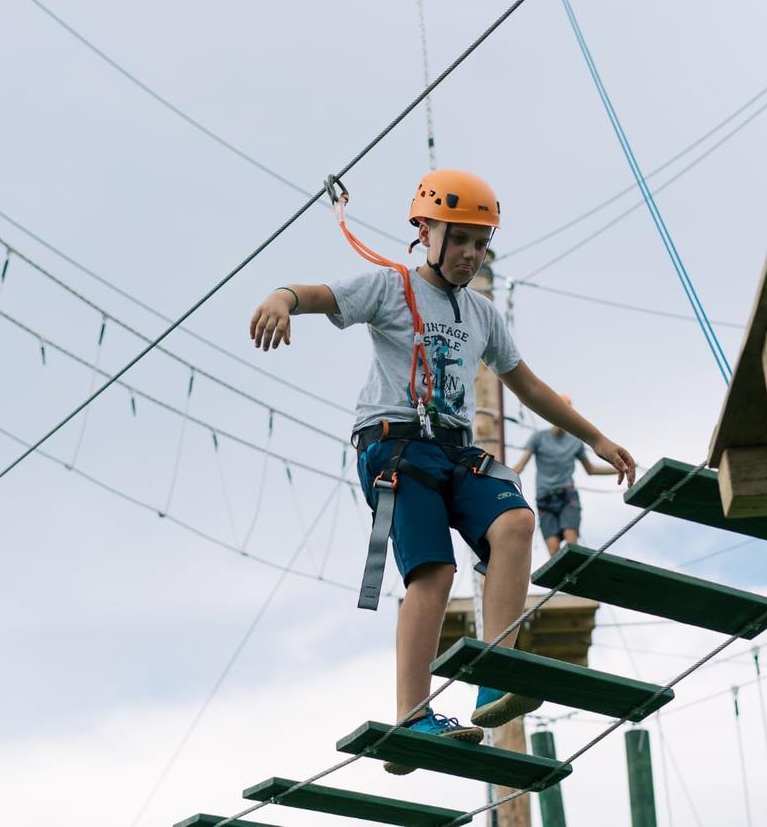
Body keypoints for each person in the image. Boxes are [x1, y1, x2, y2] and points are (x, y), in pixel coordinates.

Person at [247, 169, 636, 771]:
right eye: (460, 241)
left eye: (481, 245)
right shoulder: (390, 286)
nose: (470, 255)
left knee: (514, 524)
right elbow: (319, 294)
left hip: (454, 450)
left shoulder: (481, 313)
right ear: (426, 232)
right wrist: (281, 299)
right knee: (433, 572)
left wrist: (598, 438)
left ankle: (493, 673)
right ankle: (413, 716)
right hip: (395, 450)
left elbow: (528, 385)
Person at [512, 395, 620, 555]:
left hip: (567, 496)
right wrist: (498, 479)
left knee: (571, 543)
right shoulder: (539, 438)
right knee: (553, 549)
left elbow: (590, 469)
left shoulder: (575, 442)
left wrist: (618, 468)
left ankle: (574, 573)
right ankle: (562, 580)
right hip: (545, 499)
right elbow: (520, 465)